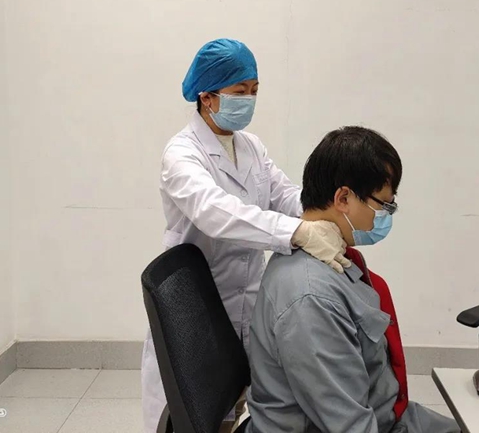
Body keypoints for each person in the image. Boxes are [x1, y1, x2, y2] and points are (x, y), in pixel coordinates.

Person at [142, 39, 350, 433]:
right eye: (240, 92)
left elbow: (283, 194)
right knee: (195, 414)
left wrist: (326, 218)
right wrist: (296, 232)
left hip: (247, 299)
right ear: (207, 97)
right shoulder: (182, 154)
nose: (250, 100)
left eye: (254, 90)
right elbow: (216, 212)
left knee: (236, 402)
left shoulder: (251, 146)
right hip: (196, 305)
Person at [246, 126, 461, 433]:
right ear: (344, 198)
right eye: (383, 205)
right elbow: (349, 425)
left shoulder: (331, 259)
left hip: (384, 413)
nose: (385, 216)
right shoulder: (310, 297)